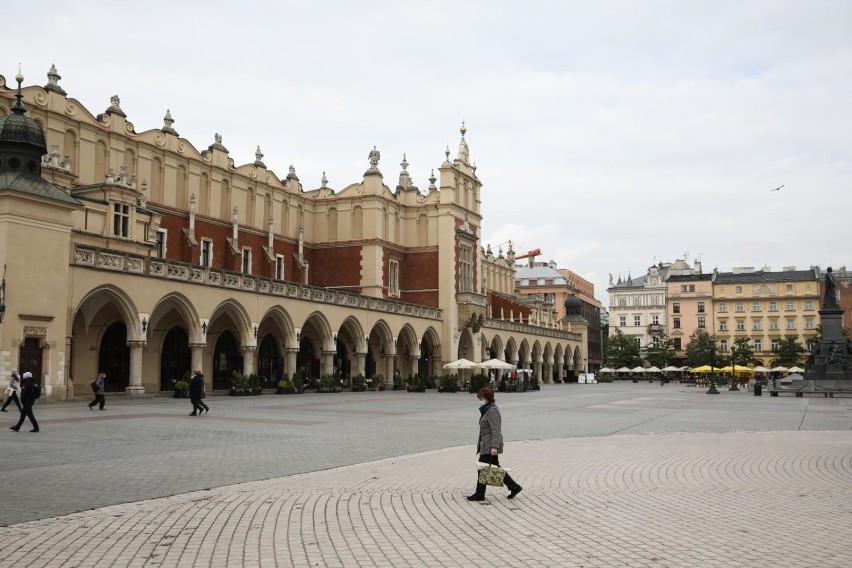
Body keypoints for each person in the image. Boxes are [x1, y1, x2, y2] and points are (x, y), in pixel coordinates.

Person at [466, 387, 522, 501]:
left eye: (480, 398)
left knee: (483, 469)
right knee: (494, 468)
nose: (479, 401)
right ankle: (514, 487)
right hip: (486, 444)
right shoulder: (487, 409)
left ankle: (480, 494)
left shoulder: (492, 411)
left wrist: (494, 447)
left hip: (490, 445)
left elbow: (496, 430)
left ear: (486, 398)